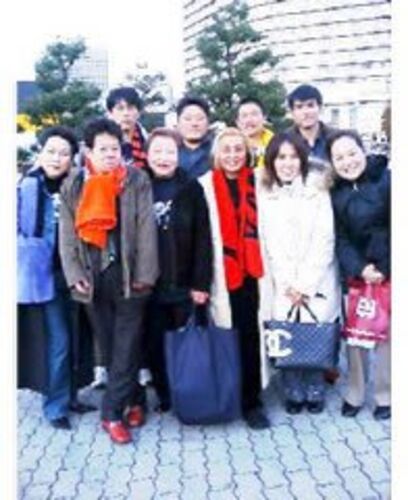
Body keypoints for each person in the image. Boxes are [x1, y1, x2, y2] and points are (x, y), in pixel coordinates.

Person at [59, 118, 159, 444]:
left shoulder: (135, 179)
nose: (110, 155)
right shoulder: (75, 183)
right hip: (93, 275)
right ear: (88, 151)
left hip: (130, 275)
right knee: (111, 343)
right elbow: (67, 235)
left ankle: (111, 413)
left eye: (115, 148)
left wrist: (145, 274)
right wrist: (74, 275)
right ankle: (136, 400)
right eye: (102, 149)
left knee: (127, 344)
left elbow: (146, 228)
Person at [17, 126, 96, 430]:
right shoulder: (26, 187)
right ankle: (55, 406)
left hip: (78, 273)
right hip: (43, 276)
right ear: (41, 153)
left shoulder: (80, 186)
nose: (56, 158)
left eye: (64, 153)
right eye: (51, 151)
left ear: (72, 159)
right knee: (59, 342)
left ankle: (72, 395)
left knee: (78, 338)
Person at [257, 132, 341, 414]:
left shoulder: (317, 189)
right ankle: (292, 388)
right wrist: (287, 284)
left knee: (316, 331)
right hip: (282, 281)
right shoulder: (265, 194)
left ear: (303, 160)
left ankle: (315, 387)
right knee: (287, 333)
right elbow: (268, 243)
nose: (287, 163)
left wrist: (305, 284)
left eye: (293, 157)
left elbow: (324, 239)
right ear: (271, 161)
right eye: (281, 157)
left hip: (317, 278)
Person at [199, 127, 270, 430]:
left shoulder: (260, 182)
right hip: (222, 274)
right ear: (216, 153)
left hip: (254, 272)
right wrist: (199, 281)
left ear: (247, 152)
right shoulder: (203, 186)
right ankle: (229, 395)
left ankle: (252, 401)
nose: (232, 155)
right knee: (227, 338)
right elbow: (199, 237)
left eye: (238, 149)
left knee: (252, 337)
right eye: (226, 149)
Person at [144, 127, 213, 412]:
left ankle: (187, 389)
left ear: (179, 155)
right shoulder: (138, 186)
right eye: (157, 151)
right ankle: (164, 394)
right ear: (147, 155)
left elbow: (203, 238)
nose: (164, 158)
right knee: (154, 342)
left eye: (170, 152)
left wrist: (201, 283)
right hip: (148, 283)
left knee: (186, 341)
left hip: (184, 282)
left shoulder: (191, 188)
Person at [328, 129, 391, 420]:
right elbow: (339, 238)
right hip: (355, 275)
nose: (348, 161)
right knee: (356, 338)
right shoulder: (334, 192)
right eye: (339, 157)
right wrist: (360, 268)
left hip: (388, 271)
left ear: (363, 151)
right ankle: (354, 393)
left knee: (387, 338)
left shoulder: (387, 180)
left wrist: (384, 267)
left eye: (352, 153)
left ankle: (385, 395)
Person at [286, 84, 336, 172]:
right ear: (292, 112)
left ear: (320, 108)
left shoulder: (336, 138)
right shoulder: (284, 140)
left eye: (310, 105)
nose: (305, 112)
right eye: (299, 107)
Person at [106, 86, 148, 169]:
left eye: (130, 108)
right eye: (120, 108)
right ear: (110, 113)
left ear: (138, 113)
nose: (126, 113)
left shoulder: (148, 142)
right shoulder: (99, 142)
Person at [176, 95, 213, 179]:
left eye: (200, 119)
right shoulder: (169, 153)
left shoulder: (217, 151)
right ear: (178, 123)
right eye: (188, 119)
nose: (194, 123)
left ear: (208, 123)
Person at [236, 97, 274, 169]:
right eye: (244, 116)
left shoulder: (275, 144)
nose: (249, 120)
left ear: (264, 118)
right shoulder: (232, 147)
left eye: (254, 114)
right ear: (238, 122)